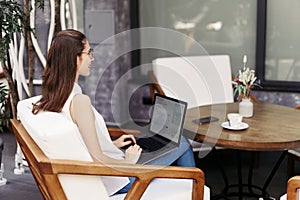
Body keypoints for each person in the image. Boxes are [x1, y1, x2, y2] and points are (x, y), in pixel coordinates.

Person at [32, 29, 195, 194]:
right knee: (181, 142)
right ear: (75, 58)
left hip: (113, 168)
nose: (92, 58)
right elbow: (97, 160)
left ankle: (188, 191)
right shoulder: (79, 101)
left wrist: (112, 144)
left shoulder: (57, 94)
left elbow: (80, 141)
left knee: (169, 143)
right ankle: (195, 191)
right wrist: (129, 162)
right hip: (118, 179)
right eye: (89, 53)